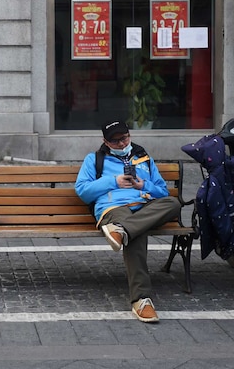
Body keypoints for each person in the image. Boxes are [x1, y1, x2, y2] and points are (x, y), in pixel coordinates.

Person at [74, 120, 182, 323]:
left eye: (124, 138)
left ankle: (121, 231)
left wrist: (143, 185)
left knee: (173, 204)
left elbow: (162, 191)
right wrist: (113, 182)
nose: (122, 144)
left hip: (144, 205)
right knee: (137, 233)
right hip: (115, 209)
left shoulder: (143, 157)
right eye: (115, 141)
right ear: (105, 141)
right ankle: (141, 299)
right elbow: (83, 191)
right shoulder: (94, 160)